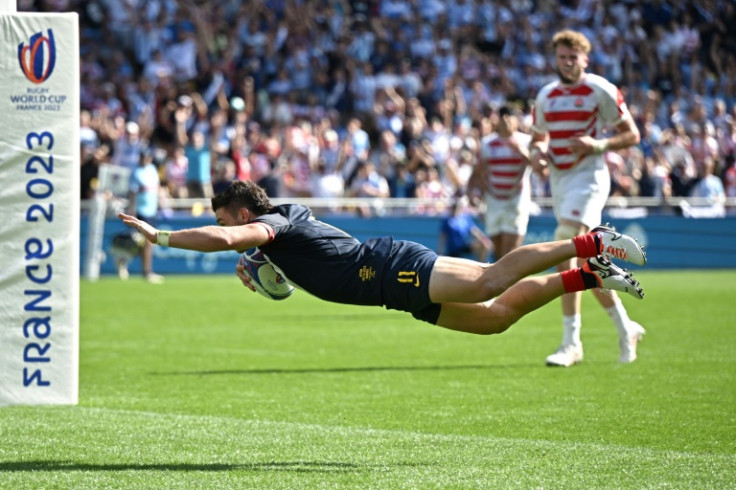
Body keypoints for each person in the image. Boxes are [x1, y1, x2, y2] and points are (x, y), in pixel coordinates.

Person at [117, 181, 647, 337]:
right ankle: (586, 275)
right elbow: (268, 258)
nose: (226, 226)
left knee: (489, 280)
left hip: (392, 267)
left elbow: (234, 240)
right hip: (390, 292)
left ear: (237, 211)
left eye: (224, 217)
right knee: (495, 319)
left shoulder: (273, 222)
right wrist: (260, 266)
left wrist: (160, 237)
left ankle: (593, 242)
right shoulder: (272, 231)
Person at [529, 30, 646, 367]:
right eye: (562, 57)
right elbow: (538, 138)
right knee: (584, 263)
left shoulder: (601, 89)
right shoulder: (546, 95)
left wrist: (598, 145)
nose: (567, 63)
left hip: (591, 177)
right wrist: (536, 154)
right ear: (555, 59)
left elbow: (632, 134)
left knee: (564, 243)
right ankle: (626, 327)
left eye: (573, 57)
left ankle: (571, 342)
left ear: (585, 59)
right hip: (560, 180)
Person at [470, 105, 534, 260]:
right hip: (493, 201)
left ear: (516, 120)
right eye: (502, 116)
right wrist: (471, 191)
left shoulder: (525, 141)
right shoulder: (487, 143)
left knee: (510, 252)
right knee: (498, 254)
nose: (505, 120)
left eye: (509, 116)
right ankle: (503, 284)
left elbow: (537, 166)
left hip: (516, 200)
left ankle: (511, 284)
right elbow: (478, 170)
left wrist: (520, 150)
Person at [120, 147, 164, 284]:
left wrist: (160, 203)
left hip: (151, 211)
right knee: (146, 242)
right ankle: (146, 272)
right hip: (141, 211)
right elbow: (133, 193)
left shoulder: (152, 170)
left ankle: (126, 262)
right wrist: (132, 210)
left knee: (147, 243)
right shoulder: (136, 171)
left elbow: (156, 188)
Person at [438, 197, 493, 262]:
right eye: (454, 207)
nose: (456, 209)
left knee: (483, 245)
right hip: (453, 249)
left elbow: (475, 232)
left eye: (458, 207)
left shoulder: (465, 219)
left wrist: (485, 240)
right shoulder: (447, 221)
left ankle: (481, 266)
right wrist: (440, 250)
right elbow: (443, 236)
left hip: (463, 246)